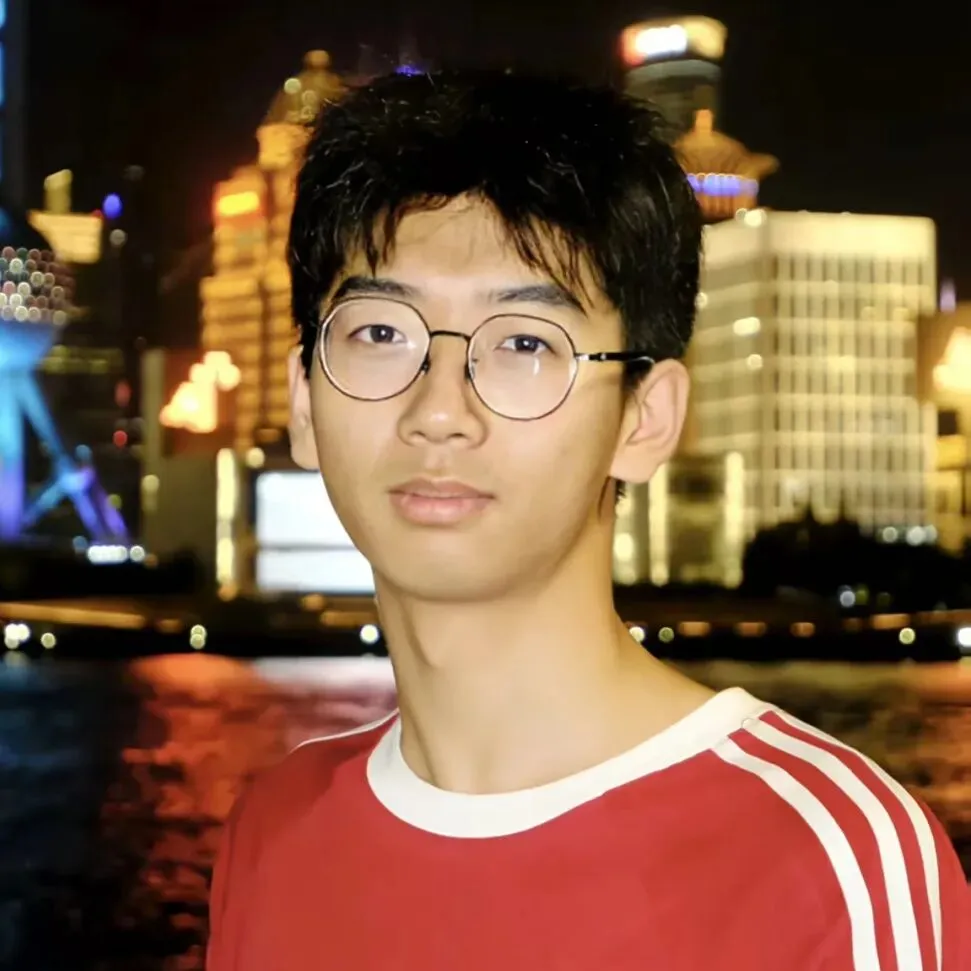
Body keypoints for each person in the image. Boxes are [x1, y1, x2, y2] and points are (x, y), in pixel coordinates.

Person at [207, 69, 970, 970]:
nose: (439, 409)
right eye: (380, 334)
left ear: (644, 419)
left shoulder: (827, 862)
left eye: (525, 344)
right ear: (303, 399)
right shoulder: (275, 830)